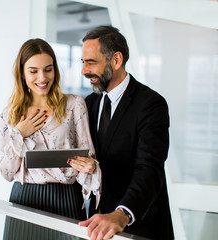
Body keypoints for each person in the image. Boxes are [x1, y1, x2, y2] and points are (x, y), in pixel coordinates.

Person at [69, 26, 174, 240]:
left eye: (91, 62)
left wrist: (122, 213)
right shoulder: (89, 103)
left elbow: (149, 169)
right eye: (83, 63)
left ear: (116, 60)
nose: (84, 71)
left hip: (140, 227)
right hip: (97, 227)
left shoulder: (151, 104)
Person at [0, 38, 101, 239]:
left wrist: (91, 167)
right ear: (22, 73)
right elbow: (6, 172)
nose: (42, 77)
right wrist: (19, 133)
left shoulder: (74, 105)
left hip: (67, 199)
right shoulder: (9, 114)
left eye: (48, 69)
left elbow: (88, 159)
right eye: (33, 71)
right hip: (24, 199)